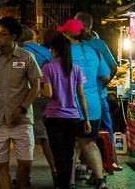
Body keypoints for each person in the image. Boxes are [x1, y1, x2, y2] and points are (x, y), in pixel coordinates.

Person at [0, 16, 41, 189]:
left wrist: (22, 107)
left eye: (2, 34)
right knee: (1, 164)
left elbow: (35, 86)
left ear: (13, 37)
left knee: (26, 161)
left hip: (21, 119)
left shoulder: (27, 57)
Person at [59, 18, 110, 187]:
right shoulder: (94, 51)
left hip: (69, 105)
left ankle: (71, 183)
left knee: (70, 146)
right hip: (92, 104)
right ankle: (100, 178)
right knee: (88, 142)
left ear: (67, 34)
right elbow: (106, 75)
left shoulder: (62, 53)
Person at [41, 34, 91, 189]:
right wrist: (87, 119)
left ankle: (62, 185)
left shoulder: (48, 67)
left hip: (54, 117)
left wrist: (37, 87)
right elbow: (81, 96)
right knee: (69, 155)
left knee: (58, 155)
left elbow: (48, 94)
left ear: (54, 50)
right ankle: (67, 184)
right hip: (73, 118)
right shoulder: (76, 69)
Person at [74, 11, 119, 168]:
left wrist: (102, 86)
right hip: (96, 96)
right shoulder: (98, 44)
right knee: (101, 130)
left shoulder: (73, 45)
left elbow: (113, 68)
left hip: (78, 97)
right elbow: (113, 68)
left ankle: (90, 164)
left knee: (80, 134)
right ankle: (106, 162)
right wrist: (103, 85)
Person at [19, 25, 55, 184]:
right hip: (47, 96)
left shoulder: (21, 53)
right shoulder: (46, 52)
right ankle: (55, 171)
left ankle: (25, 176)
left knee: (27, 136)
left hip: (29, 96)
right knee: (46, 136)